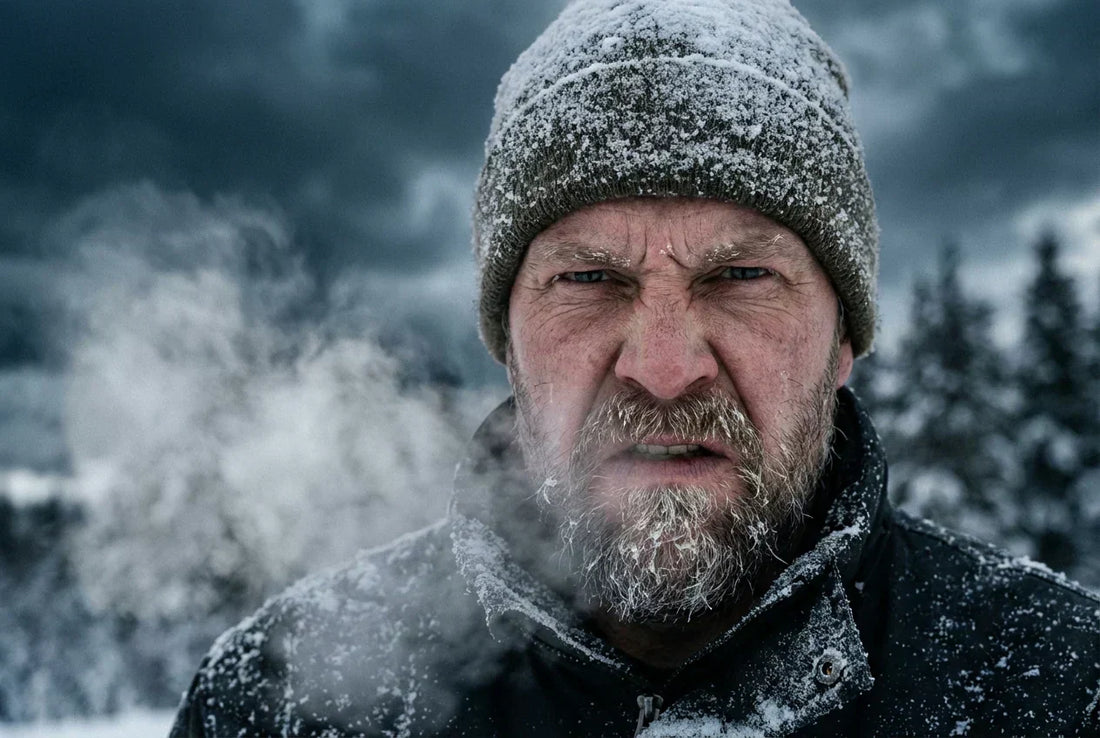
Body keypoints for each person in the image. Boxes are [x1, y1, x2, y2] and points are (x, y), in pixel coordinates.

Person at [170, 0, 1100, 735]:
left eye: (741, 276)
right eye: (588, 278)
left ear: (844, 338)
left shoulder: (1060, 690)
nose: (663, 370)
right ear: (510, 338)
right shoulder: (277, 704)